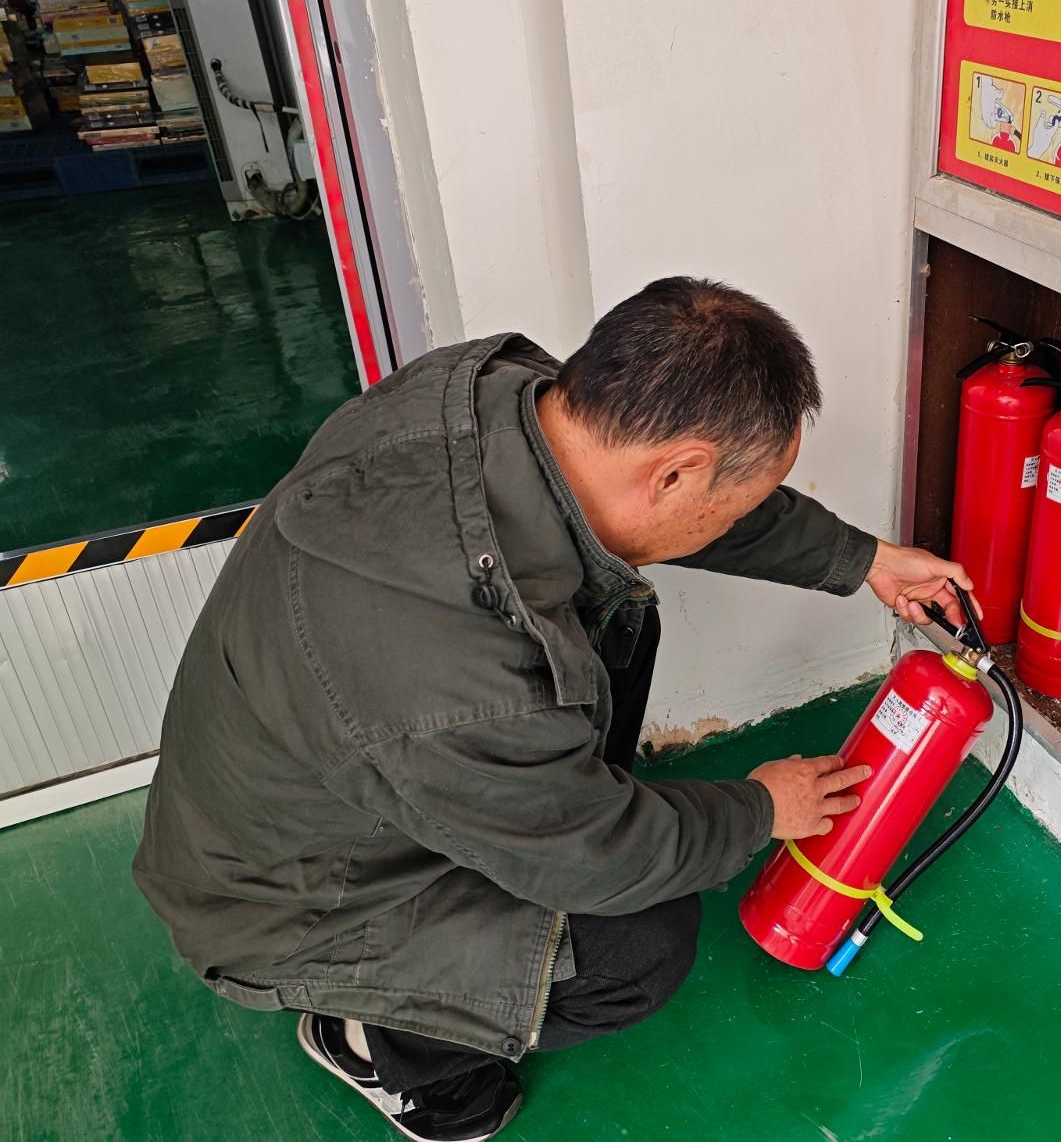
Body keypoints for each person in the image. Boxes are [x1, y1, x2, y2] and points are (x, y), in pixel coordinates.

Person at [132, 278, 972, 1142]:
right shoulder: (462, 675)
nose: (742, 513)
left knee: (619, 628)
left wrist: (864, 559)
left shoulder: (499, 397)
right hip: (286, 902)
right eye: (744, 496)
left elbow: (698, 507)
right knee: (636, 947)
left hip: (304, 792)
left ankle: (508, 845)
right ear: (675, 472)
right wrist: (760, 809)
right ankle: (380, 1047)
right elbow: (599, 860)